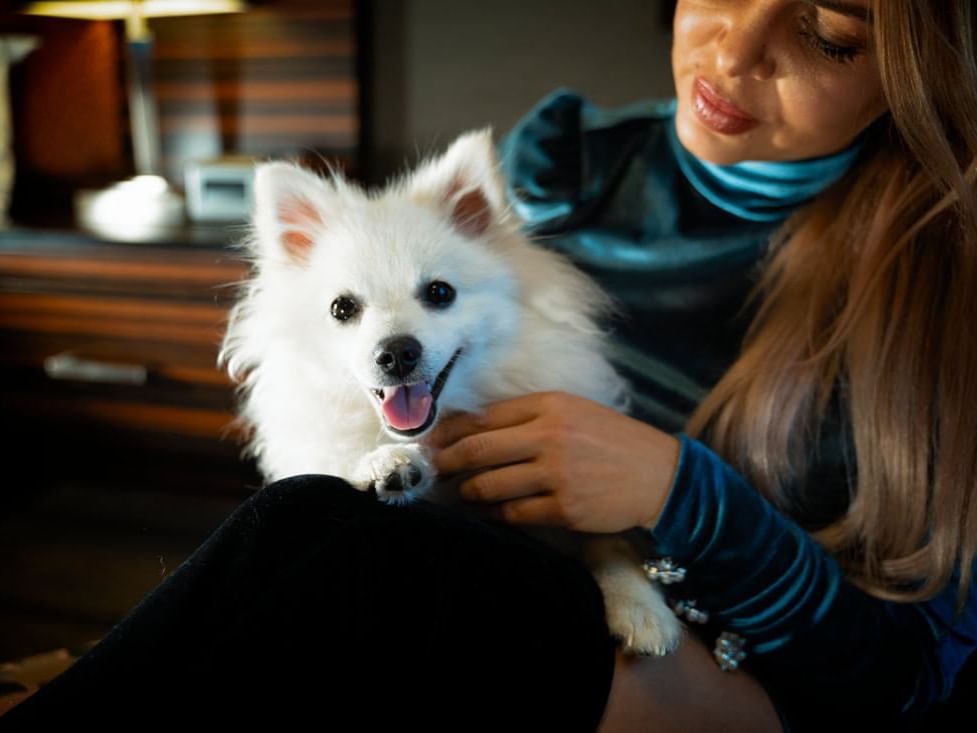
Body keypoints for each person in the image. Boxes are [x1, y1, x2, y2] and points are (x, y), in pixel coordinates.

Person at [3, 0, 975, 730]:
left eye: (825, 34)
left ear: (913, 64)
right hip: (499, 588)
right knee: (313, 556)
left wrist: (683, 492)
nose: (730, 49)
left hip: (741, 680)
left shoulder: (941, 275)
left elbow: (917, 676)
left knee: (334, 550)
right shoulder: (567, 169)